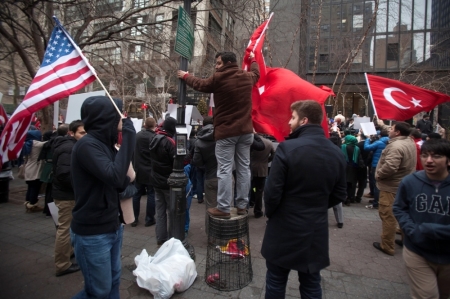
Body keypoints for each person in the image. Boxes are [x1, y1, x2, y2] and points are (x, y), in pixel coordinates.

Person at [261, 100, 347, 298]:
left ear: (304, 120)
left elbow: (272, 192)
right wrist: (317, 206)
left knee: (275, 281)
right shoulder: (336, 152)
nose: (289, 123)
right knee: (311, 284)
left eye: (293, 118)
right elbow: (340, 193)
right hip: (314, 230)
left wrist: (274, 214)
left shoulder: (286, 149)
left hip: (283, 227)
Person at [177, 51, 259, 218]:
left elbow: (199, 84)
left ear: (228, 63)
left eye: (219, 63)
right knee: (244, 168)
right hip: (246, 131)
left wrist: (186, 76)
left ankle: (223, 207)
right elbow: (257, 74)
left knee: (224, 170)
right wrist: (254, 61)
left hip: (226, 131)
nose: (216, 66)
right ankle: (242, 205)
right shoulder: (246, 76)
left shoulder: (218, 78)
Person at [70, 96, 135, 298]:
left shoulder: (105, 145)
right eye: (118, 113)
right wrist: (130, 137)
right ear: (106, 117)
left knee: (114, 281)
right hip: (93, 233)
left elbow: (121, 180)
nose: (122, 117)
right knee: (99, 290)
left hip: (112, 226)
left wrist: (122, 177)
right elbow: (117, 177)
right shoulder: (87, 146)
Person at [393, 139, 450, 299]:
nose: (429, 160)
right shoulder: (410, 182)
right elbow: (399, 208)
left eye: (436, 156)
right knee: (427, 295)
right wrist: (412, 231)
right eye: (425, 156)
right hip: (417, 251)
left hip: (447, 254)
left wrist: (432, 229)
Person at [372, 121, 416, 256]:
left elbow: (391, 166)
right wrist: (381, 124)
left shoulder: (396, 146)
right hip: (404, 183)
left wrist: (379, 175)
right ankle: (405, 239)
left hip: (391, 186)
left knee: (388, 215)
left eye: (391, 128)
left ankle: (387, 245)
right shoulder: (408, 141)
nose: (389, 130)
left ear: (397, 132)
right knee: (403, 212)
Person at [52, 120, 85, 277]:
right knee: (64, 229)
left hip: (68, 194)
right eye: (82, 133)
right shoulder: (68, 148)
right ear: (72, 133)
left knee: (68, 228)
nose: (84, 136)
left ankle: (68, 253)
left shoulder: (73, 146)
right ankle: (62, 264)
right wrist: (81, 185)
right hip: (67, 196)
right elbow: (64, 175)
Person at [149, 116, 177, 246]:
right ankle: (172, 239)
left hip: (156, 180)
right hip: (167, 182)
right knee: (171, 212)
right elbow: (176, 162)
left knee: (160, 211)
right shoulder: (169, 142)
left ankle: (161, 238)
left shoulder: (154, 138)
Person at [131, 117, 156, 227]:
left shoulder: (137, 136)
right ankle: (149, 219)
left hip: (138, 169)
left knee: (136, 194)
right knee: (151, 194)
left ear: (145, 124)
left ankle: (134, 218)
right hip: (151, 170)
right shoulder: (154, 137)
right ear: (154, 126)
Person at [250, 134, 274, 218]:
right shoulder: (269, 143)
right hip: (263, 169)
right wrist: (266, 161)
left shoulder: (252, 141)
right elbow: (274, 155)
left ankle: (249, 203)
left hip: (251, 168)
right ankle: (257, 211)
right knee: (259, 191)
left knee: (250, 187)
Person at [364, 130, 389, 209]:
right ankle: (378, 200)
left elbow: (367, 148)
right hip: (384, 164)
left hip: (376, 164)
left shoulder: (379, 143)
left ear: (380, 135)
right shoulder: (390, 142)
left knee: (376, 184)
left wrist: (368, 139)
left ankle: (376, 202)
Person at [23, 130, 46, 212]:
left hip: (28, 168)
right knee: (34, 188)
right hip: (35, 169)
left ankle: (28, 203)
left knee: (30, 187)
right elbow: (48, 143)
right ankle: (32, 205)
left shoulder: (26, 143)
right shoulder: (35, 144)